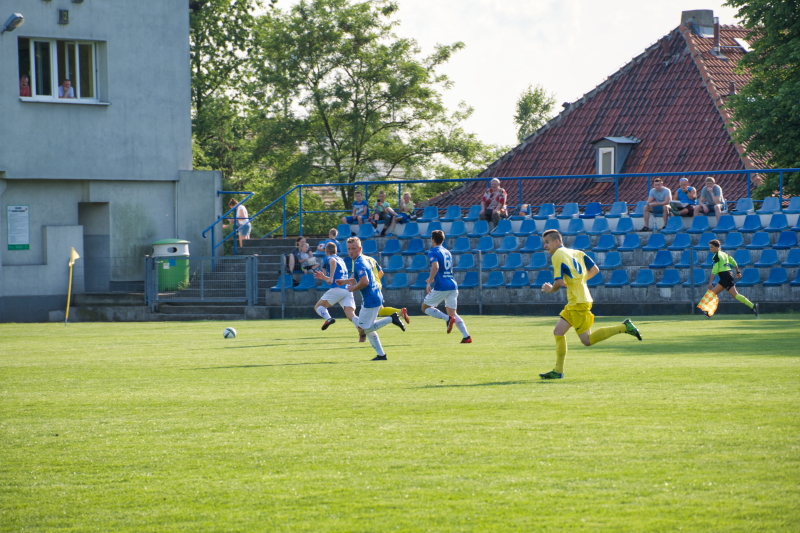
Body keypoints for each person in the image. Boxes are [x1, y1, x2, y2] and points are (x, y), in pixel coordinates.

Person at [538, 229, 642, 380]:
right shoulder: (577, 253)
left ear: (557, 241)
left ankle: (624, 327)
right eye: (544, 243)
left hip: (578, 302)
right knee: (558, 332)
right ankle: (558, 371)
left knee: (587, 341)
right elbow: (595, 270)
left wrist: (549, 289)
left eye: (547, 242)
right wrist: (577, 281)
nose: (545, 246)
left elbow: (558, 282)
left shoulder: (557, 255)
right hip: (577, 300)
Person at [338, 237, 406, 360]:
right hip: (375, 296)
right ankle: (381, 355)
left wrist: (353, 288)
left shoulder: (359, 263)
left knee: (363, 329)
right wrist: (345, 281)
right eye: (349, 249)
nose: (351, 251)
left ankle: (391, 318)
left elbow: (364, 282)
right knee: (367, 328)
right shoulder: (363, 260)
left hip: (370, 299)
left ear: (360, 249)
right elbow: (360, 279)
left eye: (354, 248)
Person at [344, 250, 410, 342]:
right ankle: (399, 312)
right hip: (376, 287)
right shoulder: (371, 259)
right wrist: (374, 281)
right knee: (380, 311)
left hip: (369, 289)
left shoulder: (357, 261)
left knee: (365, 324)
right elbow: (381, 272)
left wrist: (348, 284)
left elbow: (356, 277)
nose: (351, 251)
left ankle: (363, 335)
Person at [421, 230, 471, 343]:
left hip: (442, 286)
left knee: (425, 307)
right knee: (453, 312)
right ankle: (466, 336)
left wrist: (429, 282)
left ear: (432, 239)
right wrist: (434, 277)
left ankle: (448, 319)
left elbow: (436, 267)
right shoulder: (447, 252)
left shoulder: (433, 251)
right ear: (442, 240)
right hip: (452, 284)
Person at [698, 239, 758, 318]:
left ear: (717, 247)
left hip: (725, 277)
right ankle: (753, 306)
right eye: (710, 247)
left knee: (711, 294)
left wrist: (710, 282)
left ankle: (707, 312)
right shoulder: (724, 254)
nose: (710, 249)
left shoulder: (716, 256)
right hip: (728, 275)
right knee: (734, 295)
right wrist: (737, 272)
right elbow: (733, 262)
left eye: (712, 247)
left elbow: (714, 270)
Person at [313, 242, 357, 330]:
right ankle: (365, 329)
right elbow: (335, 280)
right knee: (351, 316)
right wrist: (324, 278)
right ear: (336, 251)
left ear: (326, 251)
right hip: (347, 289)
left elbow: (332, 261)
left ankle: (329, 319)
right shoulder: (341, 259)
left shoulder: (329, 258)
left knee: (318, 307)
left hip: (338, 289)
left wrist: (330, 277)